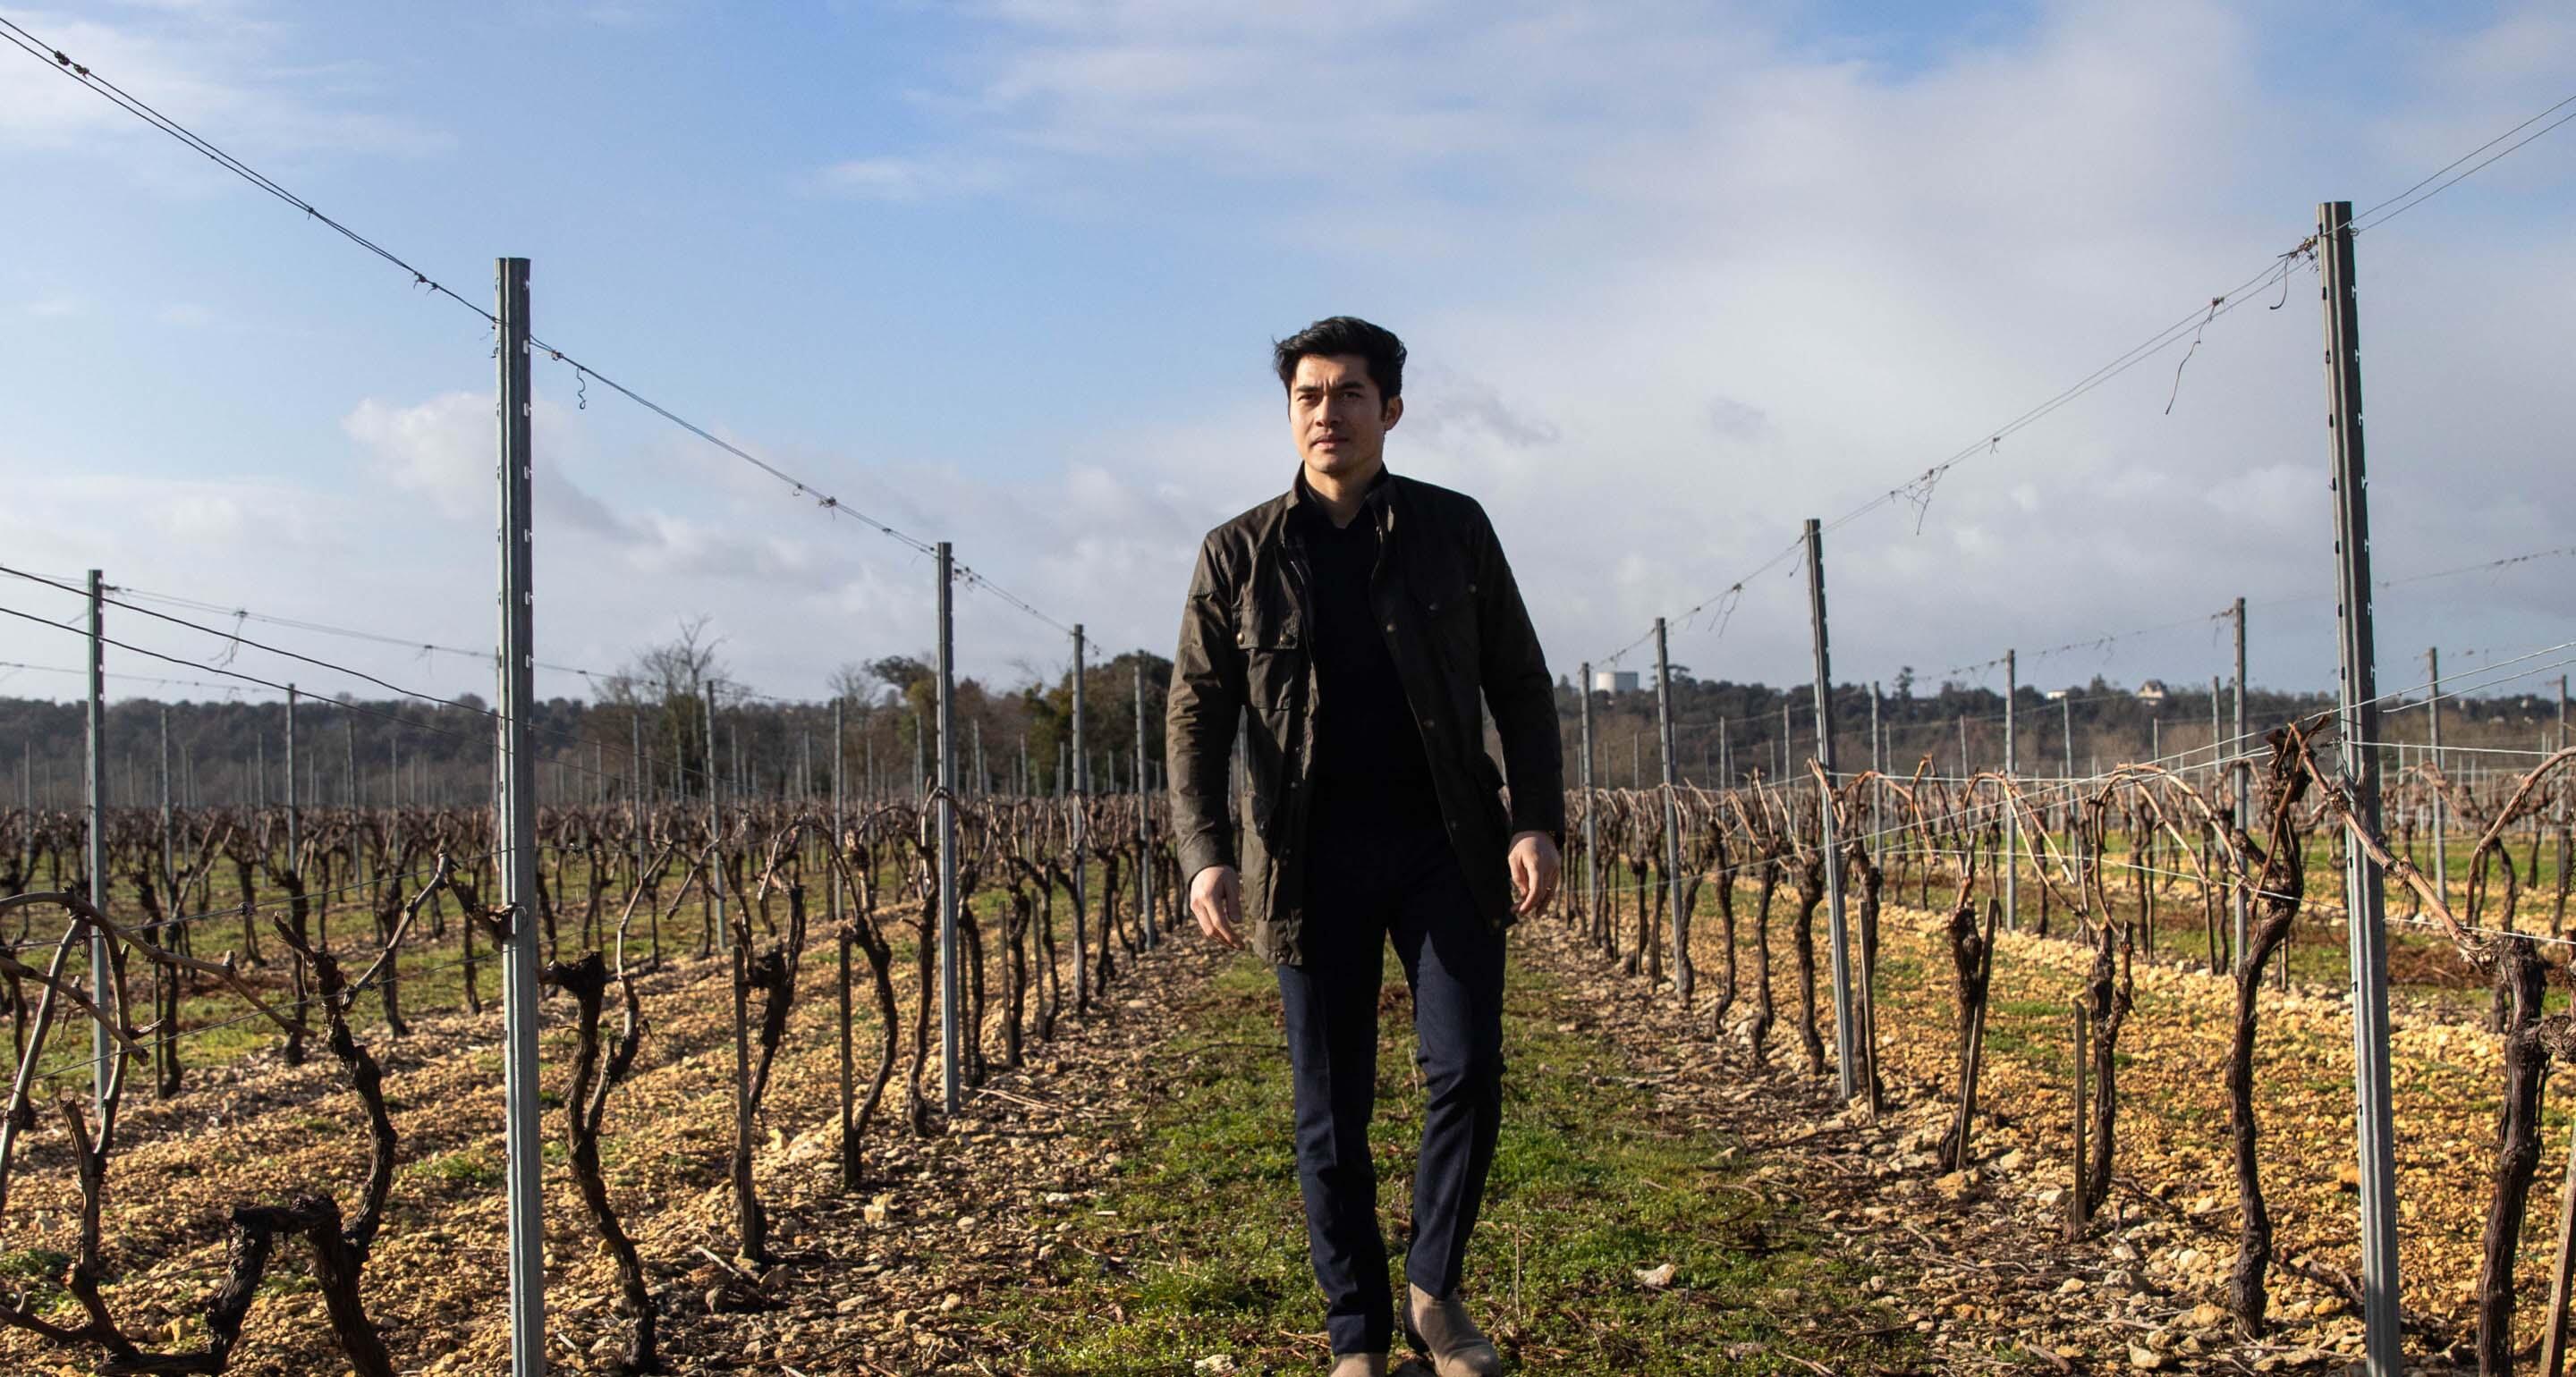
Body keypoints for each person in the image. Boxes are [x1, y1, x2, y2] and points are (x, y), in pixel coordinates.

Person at [1165, 316, 1563, 1377]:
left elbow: (1521, 682)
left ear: (1391, 409)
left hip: (1448, 844)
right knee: (1329, 1107)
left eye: (1349, 394)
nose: (1326, 413)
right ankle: (1358, 1335)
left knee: (1466, 1068)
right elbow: (1196, 713)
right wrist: (1206, 851)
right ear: (1289, 412)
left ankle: (1434, 1287)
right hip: (1306, 856)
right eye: (1308, 395)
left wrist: (1535, 818)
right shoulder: (1237, 553)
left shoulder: (1454, 530)